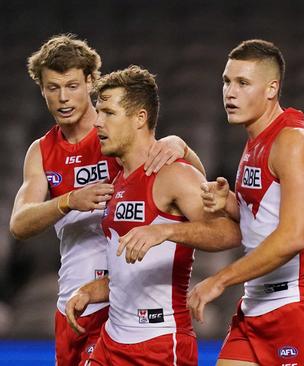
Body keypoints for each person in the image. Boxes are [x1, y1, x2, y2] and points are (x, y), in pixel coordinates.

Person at [9, 34, 199, 366]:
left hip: (121, 304)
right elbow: (19, 224)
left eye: (72, 86)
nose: (63, 98)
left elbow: (190, 183)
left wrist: (182, 145)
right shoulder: (41, 151)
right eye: (53, 88)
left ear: (91, 83)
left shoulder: (117, 137)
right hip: (74, 299)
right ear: (41, 90)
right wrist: (68, 200)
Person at [64, 65, 242, 365]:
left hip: (158, 343)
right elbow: (130, 269)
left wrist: (165, 231)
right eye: (98, 111)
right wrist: (92, 290)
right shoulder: (118, 180)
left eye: (108, 112)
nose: (97, 122)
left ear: (139, 118)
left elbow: (231, 232)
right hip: (111, 341)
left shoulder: (173, 174)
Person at [187, 39, 304, 366]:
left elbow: (293, 236)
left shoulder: (292, 140)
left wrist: (220, 279)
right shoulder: (257, 140)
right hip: (255, 307)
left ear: (272, 89)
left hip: (297, 309)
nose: (230, 92)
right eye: (227, 82)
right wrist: (229, 203)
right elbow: (262, 219)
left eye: (243, 83)